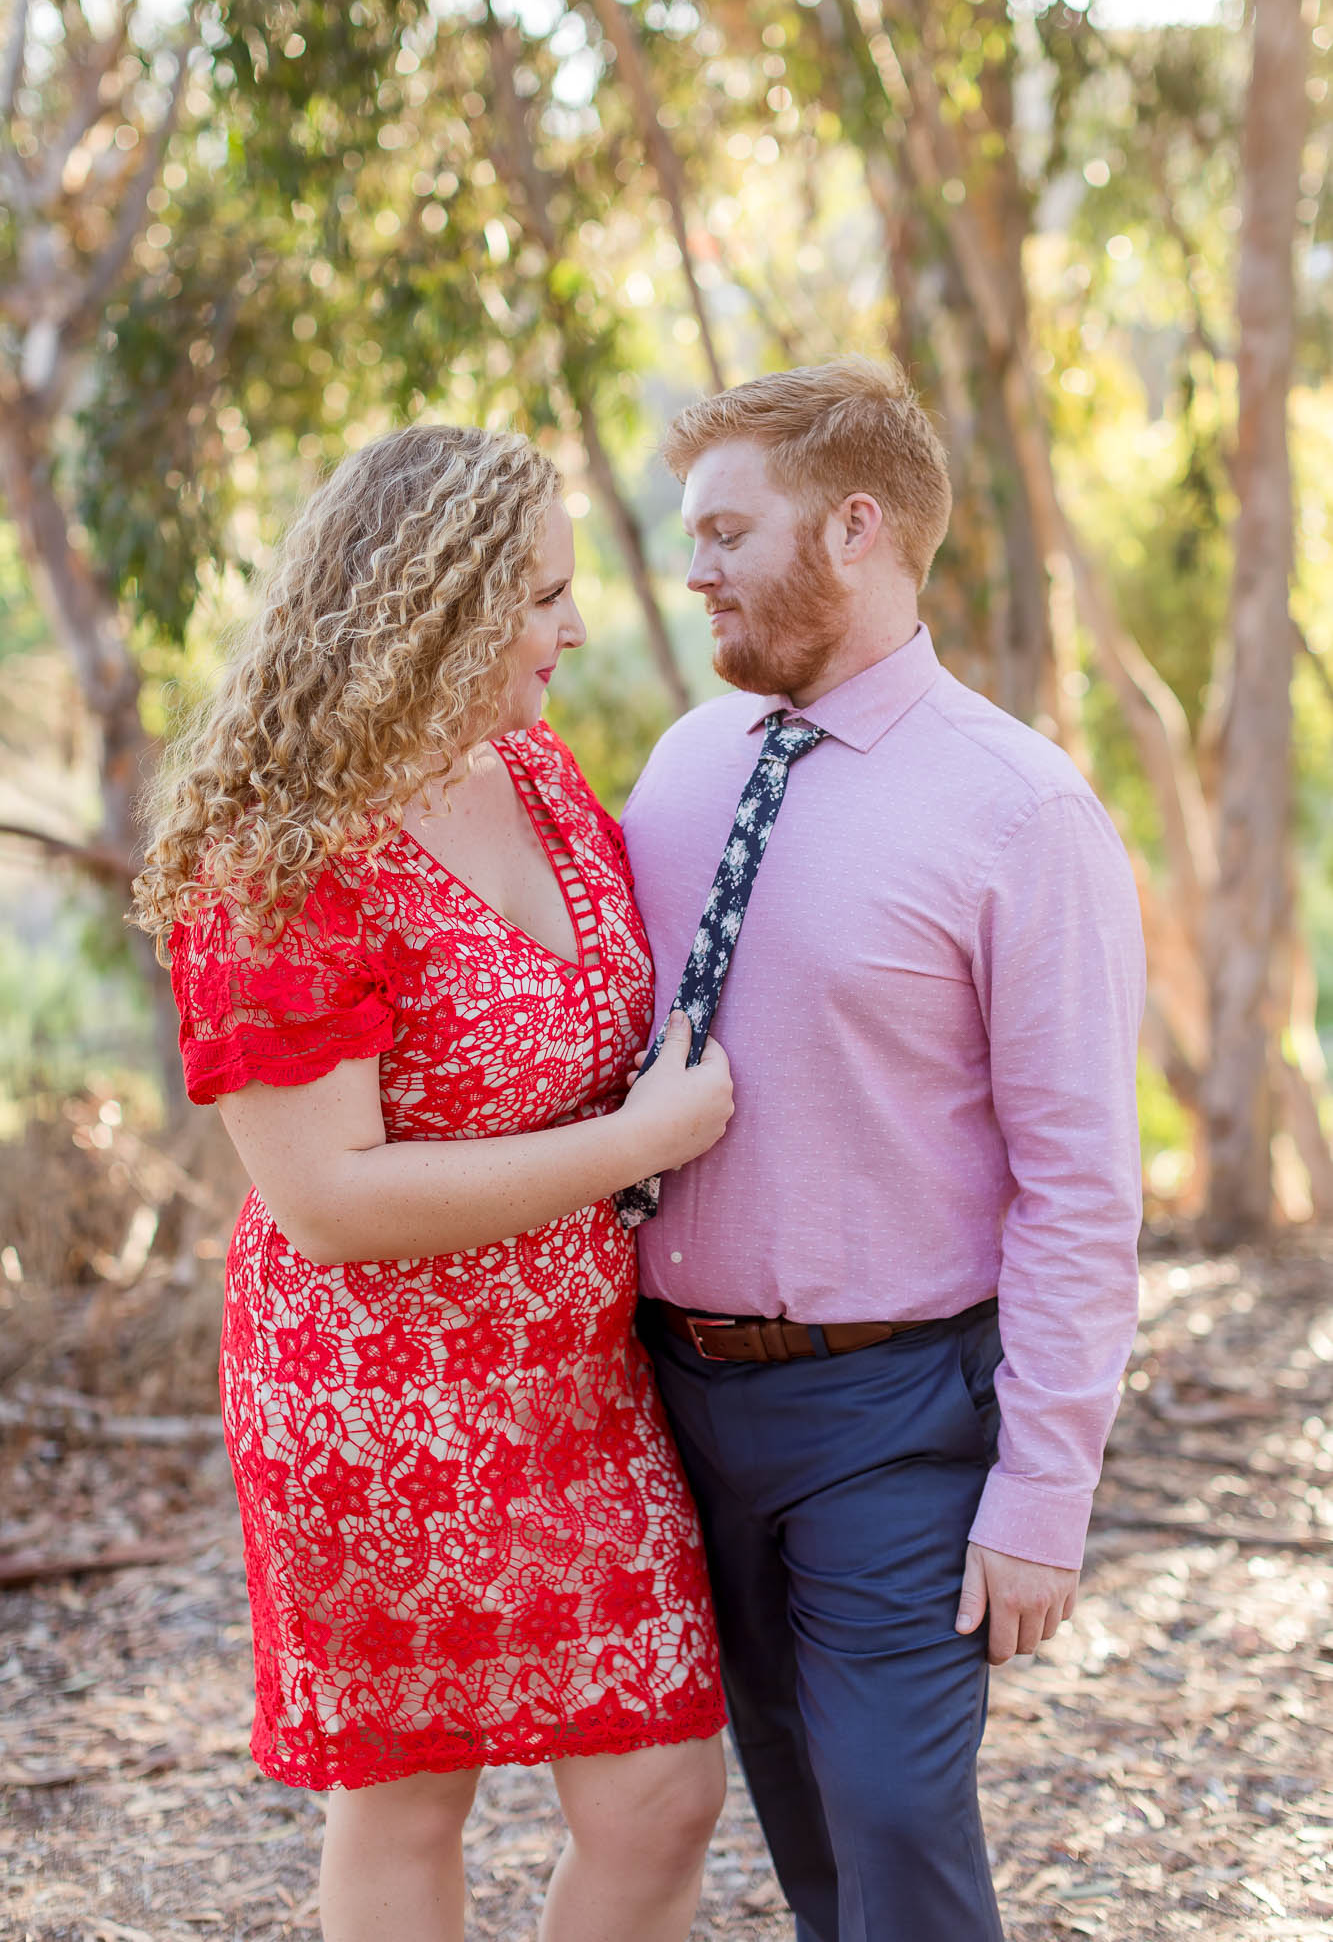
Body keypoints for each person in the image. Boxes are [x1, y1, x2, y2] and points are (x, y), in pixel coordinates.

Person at [130, 424, 735, 1942]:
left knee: (660, 1792)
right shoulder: (276, 851)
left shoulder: (535, 775)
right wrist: (638, 1147)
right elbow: (327, 1197)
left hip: (577, 1386)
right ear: (438, 602)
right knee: (409, 1795)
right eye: (540, 597)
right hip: (376, 1404)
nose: (573, 629)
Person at [621, 357, 1146, 1942]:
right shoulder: (679, 765)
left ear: (853, 527)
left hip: (894, 1410)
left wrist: (1042, 1495)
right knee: (793, 1806)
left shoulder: (1021, 813)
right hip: (667, 1388)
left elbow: (1080, 1186)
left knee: (898, 1822)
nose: (693, 567)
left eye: (726, 530)